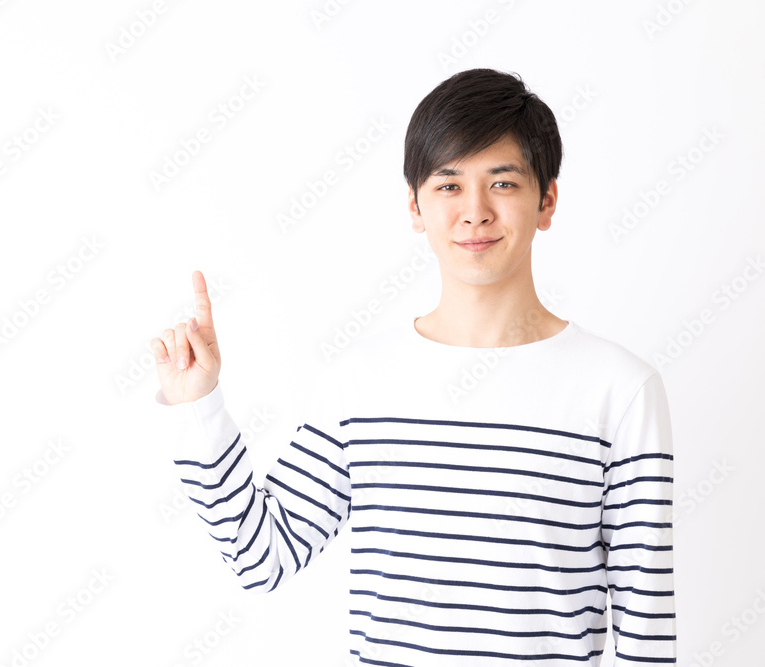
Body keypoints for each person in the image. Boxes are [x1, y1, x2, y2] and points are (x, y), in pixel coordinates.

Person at [150, 68, 676, 665]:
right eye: (448, 186)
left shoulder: (621, 390)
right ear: (415, 205)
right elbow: (262, 558)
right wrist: (199, 407)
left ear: (547, 199)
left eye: (502, 183)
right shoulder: (362, 383)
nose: (474, 212)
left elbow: (646, 629)